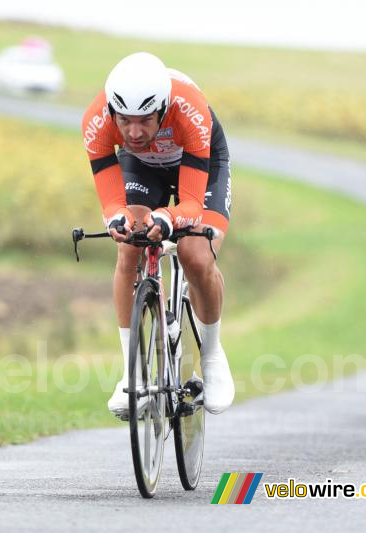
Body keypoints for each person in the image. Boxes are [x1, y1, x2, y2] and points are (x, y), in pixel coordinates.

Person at [81, 52, 234, 416]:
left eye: (145, 121)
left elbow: (192, 204)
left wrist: (168, 217)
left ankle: (211, 356)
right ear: (112, 113)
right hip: (143, 169)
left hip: (200, 162)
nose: (134, 133)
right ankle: (131, 373)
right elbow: (112, 201)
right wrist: (117, 218)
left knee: (195, 255)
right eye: (125, 122)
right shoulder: (96, 122)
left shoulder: (190, 110)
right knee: (129, 247)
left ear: (163, 111)